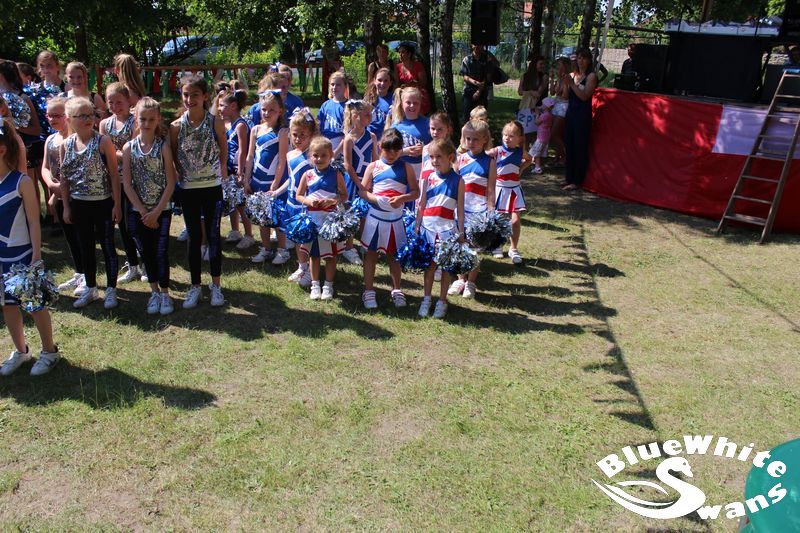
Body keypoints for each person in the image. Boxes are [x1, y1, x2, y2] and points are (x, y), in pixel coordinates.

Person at [0, 118, 61, 376]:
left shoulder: (21, 181)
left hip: (22, 254)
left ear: (2, 149)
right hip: (1, 258)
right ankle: (21, 351)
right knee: (8, 305)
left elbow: (34, 222)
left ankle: (50, 351)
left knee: (35, 305)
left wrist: (36, 255)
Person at [169, 75, 228, 309]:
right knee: (194, 238)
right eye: (186, 94)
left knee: (213, 236)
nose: (189, 99)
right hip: (189, 189)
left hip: (212, 187)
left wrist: (220, 172)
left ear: (205, 96)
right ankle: (195, 286)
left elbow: (223, 148)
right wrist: (181, 176)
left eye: (195, 94)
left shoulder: (215, 122)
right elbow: (174, 155)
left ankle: (216, 286)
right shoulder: (176, 127)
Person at [60, 97, 122, 309]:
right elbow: (65, 178)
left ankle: (111, 289)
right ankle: (91, 287)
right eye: (81, 116)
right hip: (79, 204)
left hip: (102, 203)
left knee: (107, 246)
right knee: (85, 246)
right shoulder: (66, 145)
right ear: (69, 119)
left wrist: (116, 204)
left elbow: (114, 175)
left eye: (90, 114)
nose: (87, 119)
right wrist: (66, 206)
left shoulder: (103, 141)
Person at [122, 97, 177, 315]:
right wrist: (144, 212)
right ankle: (154, 291)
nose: (146, 123)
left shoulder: (163, 147)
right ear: (136, 118)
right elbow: (127, 183)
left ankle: (165, 293)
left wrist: (156, 211)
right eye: (142, 119)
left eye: (151, 119)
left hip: (162, 210)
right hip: (139, 212)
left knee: (161, 252)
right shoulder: (129, 148)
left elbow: (171, 181)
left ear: (158, 120)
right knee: (146, 252)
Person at [359, 128, 420, 309]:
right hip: (375, 219)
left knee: (394, 256)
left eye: (396, 149)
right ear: (380, 146)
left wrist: (402, 198)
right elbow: (362, 191)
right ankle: (368, 291)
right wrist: (376, 199)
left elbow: (416, 192)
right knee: (371, 254)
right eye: (388, 149)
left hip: (396, 220)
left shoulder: (406, 167)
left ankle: (397, 289)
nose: (392, 154)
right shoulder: (373, 167)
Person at [415, 138, 465, 319]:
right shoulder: (428, 178)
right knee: (429, 267)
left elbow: (460, 210)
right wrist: (417, 226)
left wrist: (461, 232)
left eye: (438, 157)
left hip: (447, 231)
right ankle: (426, 299)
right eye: (431, 157)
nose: (434, 161)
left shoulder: (458, 181)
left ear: (450, 157)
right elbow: (421, 204)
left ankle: (442, 301)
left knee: (445, 268)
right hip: (428, 229)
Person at [294, 136, 348, 300]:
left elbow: (344, 196)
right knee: (314, 255)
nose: (319, 159)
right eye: (315, 155)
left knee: (330, 256)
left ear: (331, 155)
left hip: (330, 222)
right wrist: (309, 201)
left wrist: (332, 201)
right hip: (313, 220)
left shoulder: (336, 174)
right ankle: (315, 284)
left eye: (323, 155)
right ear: (310, 156)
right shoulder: (307, 174)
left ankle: (328, 285)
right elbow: (298, 195)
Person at [41, 97, 85, 295]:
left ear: (68, 116)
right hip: (59, 195)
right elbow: (45, 167)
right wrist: (51, 186)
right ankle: (79, 271)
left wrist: (61, 191)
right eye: (49, 115)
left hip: (76, 196)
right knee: (70, 237)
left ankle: (87, 275)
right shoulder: (50, 140)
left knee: (82, 236)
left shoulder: (76, 140)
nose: (53, 119)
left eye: (57, 115)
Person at [99, 82, 142, 284]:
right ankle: (132, 264)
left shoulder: (135, 121)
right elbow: (104, 151)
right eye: (111, 102)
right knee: (121, 222)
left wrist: (113, 153)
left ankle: (144, 261)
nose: (115, 106)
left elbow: (132, 152)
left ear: (128, 101)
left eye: (119, 102)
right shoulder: (104, 124)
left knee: (136, 222)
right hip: (113, 179)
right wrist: (116, 154)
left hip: (133, 179)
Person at [448, 120, 495, 299]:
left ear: (484, 140)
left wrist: (490, 213)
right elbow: (453, 185)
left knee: (474, 248)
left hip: (479, 212)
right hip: (460, 211)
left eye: (476, 139)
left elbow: (491, 190)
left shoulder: (489, 162)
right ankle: (460, 279)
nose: (471, 142)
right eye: (468, 138)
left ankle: (471, 282)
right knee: (461, 245)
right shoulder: (459, 159)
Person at [243, 91, 290, 265]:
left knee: (277, 217)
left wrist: (275, 184)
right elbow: (250, 156)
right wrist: (246, 179)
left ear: (280, 111)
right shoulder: (255, 129)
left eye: (272, 110)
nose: (267, 113)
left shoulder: (282, 132)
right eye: (264, 109)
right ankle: (266, 248)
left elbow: (282, 160)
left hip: (273, 182)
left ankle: (282, 250)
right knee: (262, 216)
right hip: (257, 180)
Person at [276, 108, 316, 288]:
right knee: (295, 237)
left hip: (306, 205)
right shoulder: (290, 154)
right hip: (291, 203)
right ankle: (302, 266)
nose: (298, 139)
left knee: (307, 240)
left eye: (302, 135)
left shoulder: (313, 157)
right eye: (295, 135)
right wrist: (277, 192)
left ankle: (311, 271)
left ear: (311, 135)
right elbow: (290, 179)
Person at [341, 99, 377, 266]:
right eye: (367, 115)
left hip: (367, 181)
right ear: (356, 117)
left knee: (364, 214)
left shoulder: (372, 136)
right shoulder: (349, 138)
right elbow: (347, 165)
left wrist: (372, 181)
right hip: (353, 181)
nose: (370, 117)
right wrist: (359, 183)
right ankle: (348, 248)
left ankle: (363, 244)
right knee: (351, 214)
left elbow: (375, 161)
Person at [219, 89, 255, 250]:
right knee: (231, 200)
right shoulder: (226, 123)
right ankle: (235, 230)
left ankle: (249, 235)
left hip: (237, 170)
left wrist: (240, 172)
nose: (219, 108)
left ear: (233, 106)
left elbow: (242, 150)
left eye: (222, 105)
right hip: (227, 168)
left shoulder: (240, 125)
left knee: (241, 203)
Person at [491, 121, 531, 264]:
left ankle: (513, 248)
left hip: (514, 189)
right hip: (500, 189)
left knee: (515, 220)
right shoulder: (497, 150)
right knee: (499, 220)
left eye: (511, 136)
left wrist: (521, 169)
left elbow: (529, 159)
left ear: (519, 138)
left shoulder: (520, 152)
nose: (507, 138)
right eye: (505, 135)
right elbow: (482, 156)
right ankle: (497, 245)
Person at [388, 86, 431, 209]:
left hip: (422, 169)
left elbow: (437, 146)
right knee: (404, 202)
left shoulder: (428, 123)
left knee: (419, 202)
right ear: (402, 104)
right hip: (403, 170)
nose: (412, 106)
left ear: (420, 104)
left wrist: (424, 150)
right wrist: (404, 151)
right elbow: (389, 152)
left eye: (415, 103)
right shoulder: (396, 125)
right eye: (408, 102)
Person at [562, 48, 597, 191]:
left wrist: (571, 84)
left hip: (582, 115)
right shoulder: (572, 75)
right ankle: (568, 177)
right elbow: (565, 96)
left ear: (588, 60)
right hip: (570, 113)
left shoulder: (591, 76)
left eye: (584, 58)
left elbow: (584, 96)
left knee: (579, 147)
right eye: (579, 58)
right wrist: (566, 83)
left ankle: (577, 180)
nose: (581, 61)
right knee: (569, 145)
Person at [460, 44, 499, 123]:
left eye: (479, 44)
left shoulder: (487, 60)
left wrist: (479, 91)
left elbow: (488, 77)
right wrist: (474, 82)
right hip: (468, 92)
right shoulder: (467, 59)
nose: (477, 46)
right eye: (475, 44)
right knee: (467, 118)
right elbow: (464, 76)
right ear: (471, 45)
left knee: (481, 119)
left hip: (482, 94)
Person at [518, 56, 548, 147]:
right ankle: (525, 151)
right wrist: (530, 92)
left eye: (544, 64)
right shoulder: (525, 76)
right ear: (534, 64)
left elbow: (538, 93)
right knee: (524, 132)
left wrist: (528, 92)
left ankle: (533, 153)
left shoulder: (544, 77)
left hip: (538, 107)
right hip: (525, 108)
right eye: (541, 64)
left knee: (535, 133)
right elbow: (519, 91)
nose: (543, 66)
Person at [395, 43, 430, 116]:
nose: (400, 55)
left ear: (409, 54)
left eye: (403, 52)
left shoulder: (418, 65)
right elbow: (396, 83)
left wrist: (414, 83)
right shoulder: (398, 67)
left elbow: (424, 82)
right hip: (404, 95)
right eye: (399, 52)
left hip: (418, 95)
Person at [318, 72, 348, 152]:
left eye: (338, 85)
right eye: (332, 84)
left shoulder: (349, 107)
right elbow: (318, 128)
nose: (334, 87)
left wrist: (336, 152)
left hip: (341, 147)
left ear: (345, 87)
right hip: (325, 144)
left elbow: (348, 135)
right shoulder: (325, 105)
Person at [549, 57, 571, 166]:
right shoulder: (559, 78)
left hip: (563, 107)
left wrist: (565, 84)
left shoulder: (568, 78)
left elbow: (566, 96)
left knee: (554, 134)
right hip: (556, 106)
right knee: (557, 134)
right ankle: (557, 156)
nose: (557, 66)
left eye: (559, 64)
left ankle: (565, 156)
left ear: (565, 66)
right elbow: (552, 92)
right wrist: (552, 79)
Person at [365, 67, 394, 140]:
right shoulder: (368, 98)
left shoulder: (394, 100)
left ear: (390, 83)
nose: (382, 83)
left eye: (386, 81)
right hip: (369, 138)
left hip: (385, 139)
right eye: (379, 80)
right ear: (374, 81)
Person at [530, 97, 554, 174]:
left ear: (546, 106)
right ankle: (540, 165)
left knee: (536, 152)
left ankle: (537, 168)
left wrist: (537, 114)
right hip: (546, 136)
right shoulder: (550, 115)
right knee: (542, 151)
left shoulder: (544, 116)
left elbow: (536, 122)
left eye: (543, 104)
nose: (541, 105)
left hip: (541, 137)